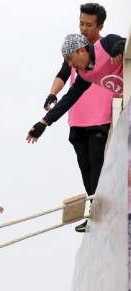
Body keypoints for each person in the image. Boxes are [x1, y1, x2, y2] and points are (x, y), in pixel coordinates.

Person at [41, 3, 114, 232]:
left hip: (100, 113)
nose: (83, 29)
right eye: (81, 23)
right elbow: (64, 73)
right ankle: (95, 211)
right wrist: (52, 94)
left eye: (88, 25)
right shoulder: (75, 50)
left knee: (97, 161)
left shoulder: (105, 47)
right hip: (78, 115)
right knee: (85, 166)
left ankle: (101, 211)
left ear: (100, 26)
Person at [26, 32, 125, 142]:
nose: (70, 64)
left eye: (70, 58)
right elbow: (69, 98)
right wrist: (44, 122)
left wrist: (121, 45)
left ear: (81, 50)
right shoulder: (84, 74)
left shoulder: (106, 43)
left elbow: (126, 43)